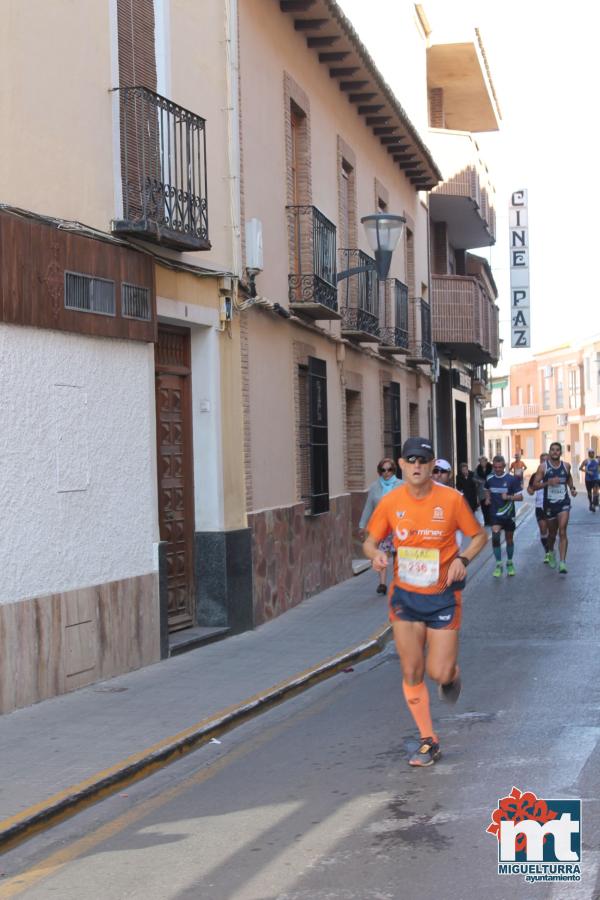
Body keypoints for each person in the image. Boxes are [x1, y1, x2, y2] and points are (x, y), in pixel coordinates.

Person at [363, 437, 487, 767]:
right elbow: (370, 541)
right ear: (401, 465)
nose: (416, 465)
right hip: (405, 598)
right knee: (411, 668)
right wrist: (376, 555)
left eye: (423, 460)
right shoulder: (391, 503)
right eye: (410, 460)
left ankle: (450, 676)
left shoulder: (451, 500)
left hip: (444, 597)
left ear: (433, 466)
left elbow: (479, 536)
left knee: (438, 671)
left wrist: (463, 558)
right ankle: (428, 740)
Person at [532, 441, 576, 573]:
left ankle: (562, 562)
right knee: (552, 534)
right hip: (549, 505)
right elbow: (535, 485)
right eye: (552, 450)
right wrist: (548, 482)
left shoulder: (566, 466)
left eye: (557, 450)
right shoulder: (543, 467)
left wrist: (572, 489)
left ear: (560, 452)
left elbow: (569, 478)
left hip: (563, 503)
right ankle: (550, 551)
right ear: (550, 452)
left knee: (562, 531)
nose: (555, 452)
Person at [359, 458, 401, 594]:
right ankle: (382, 584)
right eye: (383, 470)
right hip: (382, 527)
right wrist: (362, 524)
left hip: (398, 526)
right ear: (380, 471)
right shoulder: (375, 487)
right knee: (381, 553)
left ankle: (397, 581)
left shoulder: (402, 485)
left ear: (393, 470)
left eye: (389, 469)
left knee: (397, 554)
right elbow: (368, 506)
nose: (386, 472)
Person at [484, 455, 523, 577]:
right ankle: (499, 564)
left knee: (509, 539)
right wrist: (487, 498)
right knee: (495, 538)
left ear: (504, 466)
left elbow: (520, 497)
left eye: (500, 467)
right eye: (495, 467)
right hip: (495, 514)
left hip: (508, 514)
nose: (497, 469)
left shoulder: (512, 480)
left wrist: (509, 497)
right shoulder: (490, 478)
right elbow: (486, 489)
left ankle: (510, 563)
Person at [527, 453, 549, 559]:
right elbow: (530, 489)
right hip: (539, 506)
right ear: (540, 462)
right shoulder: (535, 475)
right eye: (542, 460)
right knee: (543, 529)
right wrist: (530, 490)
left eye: (546, 460)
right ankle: (547, 552)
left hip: (552, 506)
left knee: (551, 531)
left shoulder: (553, 474)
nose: (544, 462)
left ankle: (551, 549)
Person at [474, 456, 493, 525]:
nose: (482, 463)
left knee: (490, 506)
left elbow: (494, 476)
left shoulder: (491, 468)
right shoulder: (477, 469)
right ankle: (486, 521)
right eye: (481, 461)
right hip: (481, 490)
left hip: (490, 490)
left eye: (483, 461)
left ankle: (491, 520)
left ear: (486, 461)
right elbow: (474, 478)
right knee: (483, 506)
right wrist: (478, 481)